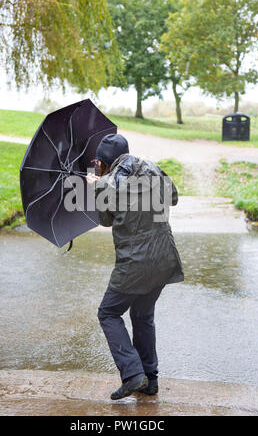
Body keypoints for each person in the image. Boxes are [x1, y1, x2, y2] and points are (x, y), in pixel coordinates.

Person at [86, 133, 184, 400]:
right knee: (142, 315)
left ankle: (132, 374)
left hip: (135, 263)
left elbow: (106, 220)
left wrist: (94, 185)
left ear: (103, 161)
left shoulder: (107, 182)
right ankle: (150, 381)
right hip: (164, 258)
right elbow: (173, 197)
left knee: (108, 313)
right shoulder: (151, 167)